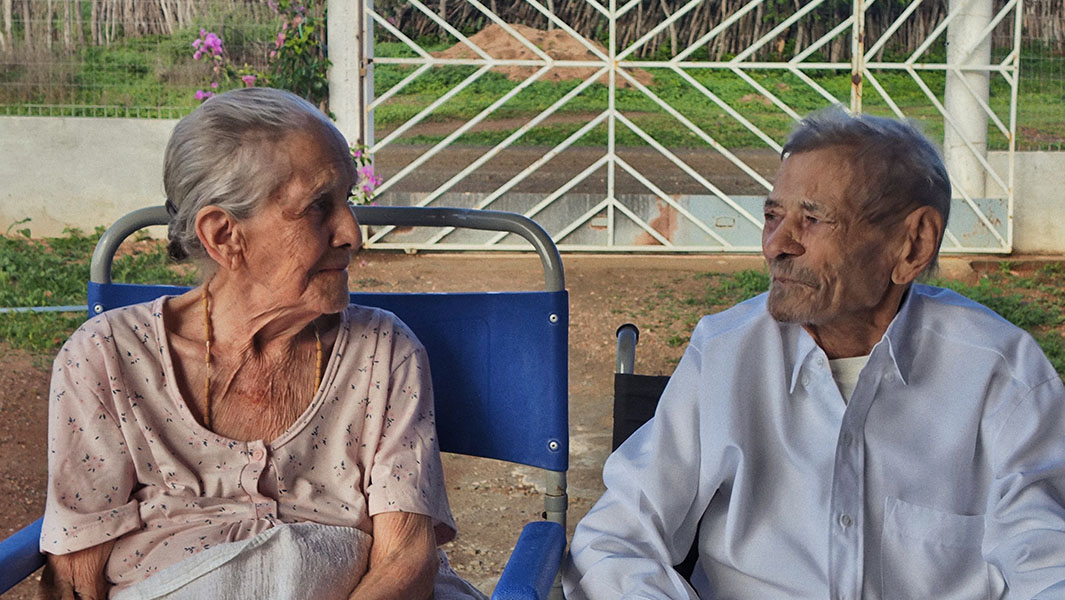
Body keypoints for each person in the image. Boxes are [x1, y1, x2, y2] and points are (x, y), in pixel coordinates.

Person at [563, 106, 1065, 599]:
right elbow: (616, 540)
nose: (776, 245)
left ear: (912, 244)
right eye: (773, 215)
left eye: (813, 219)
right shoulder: (726, 355)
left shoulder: (1003, 374)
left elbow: (1046, 561)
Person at [38, 87, 485, 600]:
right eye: (319, 207)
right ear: (224, 235)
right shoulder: (106, 358)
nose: (352, 233)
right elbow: (75, 579)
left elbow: (405, 560)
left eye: (347, 200)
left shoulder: (385, 352)